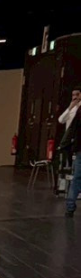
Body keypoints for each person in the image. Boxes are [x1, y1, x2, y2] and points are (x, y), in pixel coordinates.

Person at [59, 86, 81, 217]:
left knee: (77, 177)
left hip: (77, 145)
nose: (75, 97)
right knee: (76, 176)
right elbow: (62, 120)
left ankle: (70, 205)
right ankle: (70, 205)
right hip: (75, 144)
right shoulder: (74, 110)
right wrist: (70, 107)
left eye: (77, 94)